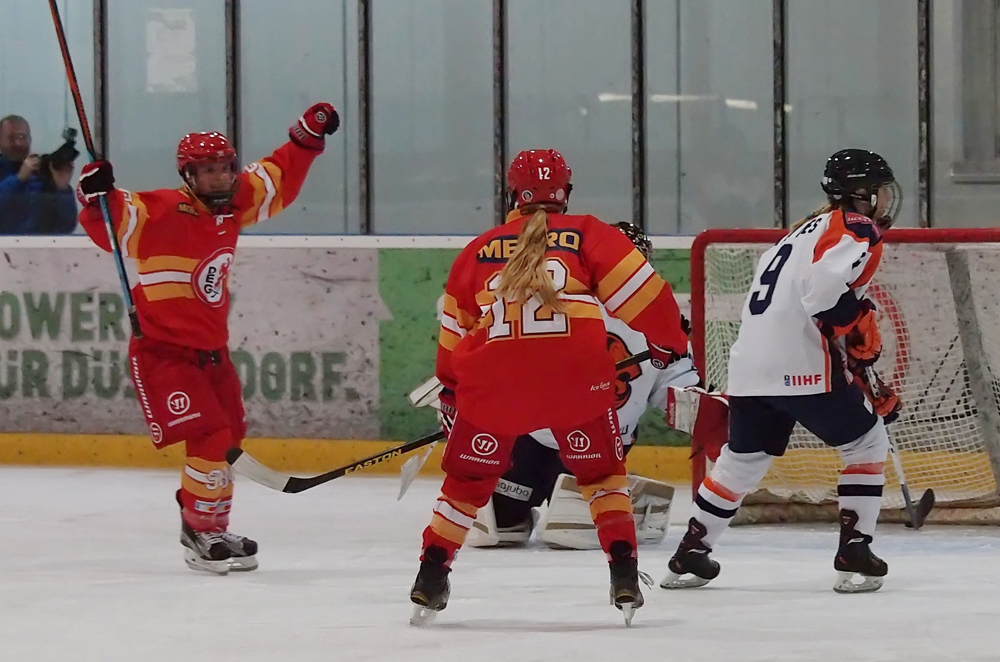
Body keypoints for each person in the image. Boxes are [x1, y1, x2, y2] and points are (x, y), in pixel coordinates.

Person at [409, 149, 690, 626]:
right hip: (578, 386)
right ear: (567, 193)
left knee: (466, 485)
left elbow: (452, 344)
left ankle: (431, 576)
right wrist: (673, 342)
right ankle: (623, 574)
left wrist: (456, 396)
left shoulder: (478, 250)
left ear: (510, 195)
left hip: (495, 388)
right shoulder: (589, 234)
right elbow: (650, 300)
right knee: (602, 478)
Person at [76, 102, 340, 575]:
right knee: (210, 436)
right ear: (188, 175)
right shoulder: (161, 211)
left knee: (229, 437)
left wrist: (306, 138)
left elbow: (276, 179)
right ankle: (199, 529)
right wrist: (94, 194)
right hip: (164, 353)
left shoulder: (234, 205)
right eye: (208, 170)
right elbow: (115, 219)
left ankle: (214, 525)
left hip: (213, 353)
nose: (220, 177)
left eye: (225, 168)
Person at [660, 148, 903, 594]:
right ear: (861, 195)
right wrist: (857, 324)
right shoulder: (856, 226)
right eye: (880, 193)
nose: (886, 203)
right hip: (801, 363)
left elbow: (805, 306)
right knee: (867, 441)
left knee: (742, 461)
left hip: (750, 368)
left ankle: (690, 552)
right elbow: (821, 295)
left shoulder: (798, 233)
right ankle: (854, 550)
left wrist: (854, 354)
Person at [464, 222, 702, 550]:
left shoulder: (660, 322)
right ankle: (619, 499)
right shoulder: (553, 304)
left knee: (552, 530)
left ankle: (610, 497)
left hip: (584, 448)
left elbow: (678, 395)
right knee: (500, 527)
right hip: (543, 446)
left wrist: (710, 411)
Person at [0, 115, 78, 234]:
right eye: (11, 138)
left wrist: (62, 188)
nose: (18, 143)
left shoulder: (43, 173)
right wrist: (19, 179)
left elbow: (67, 226)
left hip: (42, 244)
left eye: (22, 137)